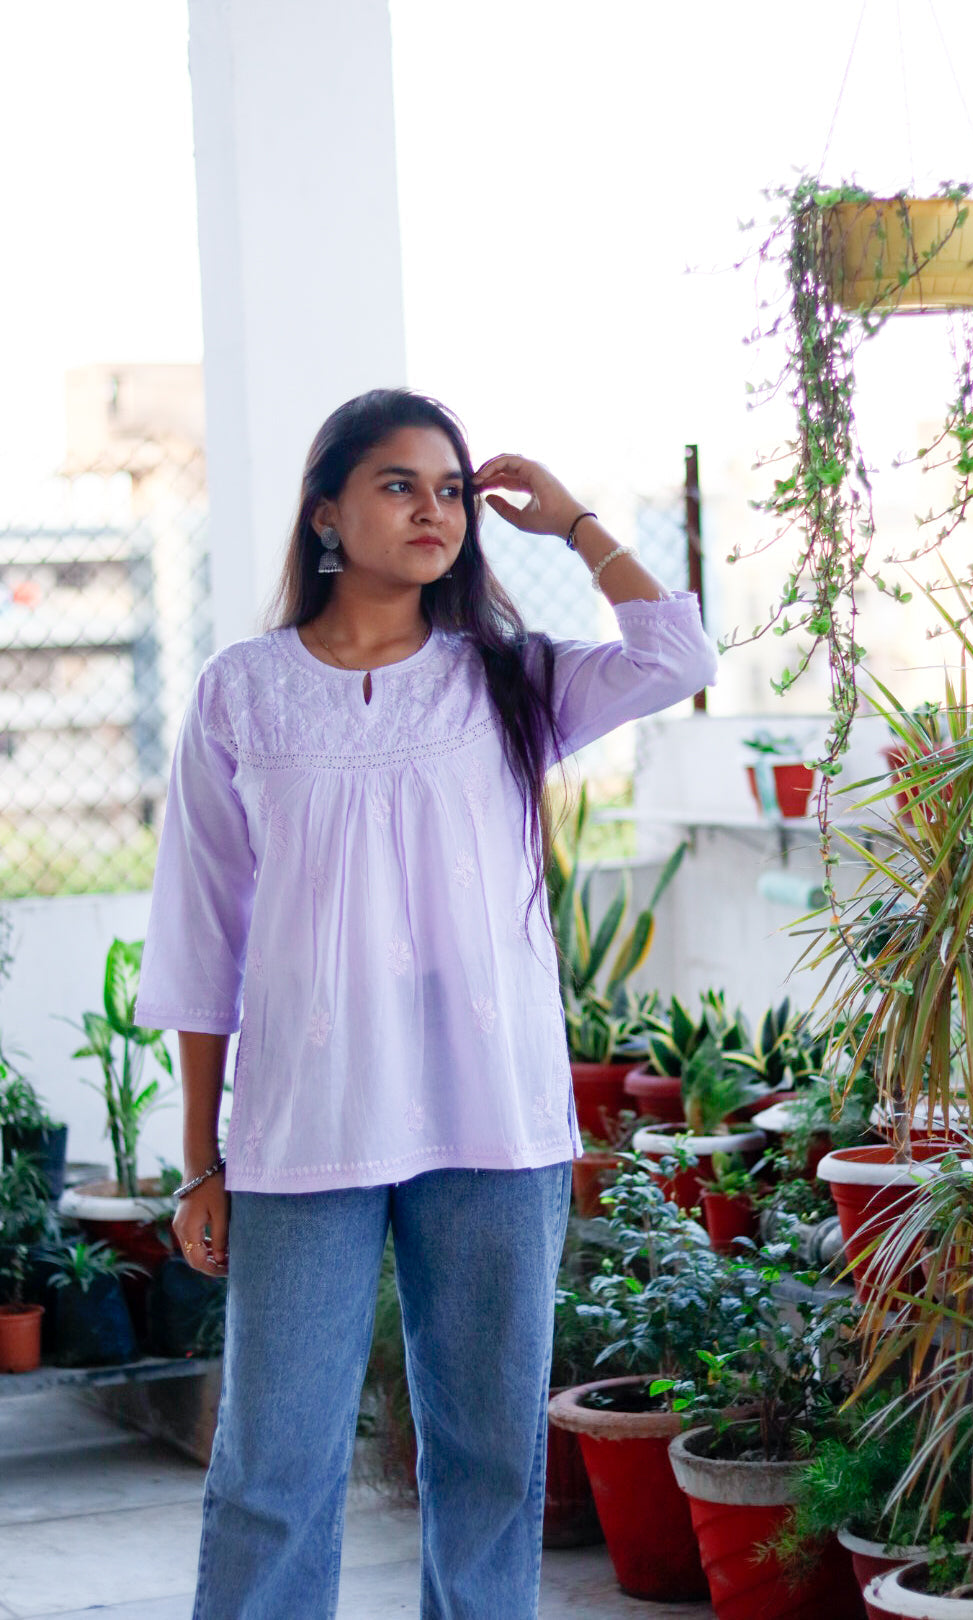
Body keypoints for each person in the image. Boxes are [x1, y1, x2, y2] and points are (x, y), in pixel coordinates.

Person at [134, 387, 717, 1619]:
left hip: (493, 1126)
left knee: (490, 1462)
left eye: (451, 490)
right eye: (399, 484)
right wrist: (199, 1162)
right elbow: (200, 935)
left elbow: (678, 656)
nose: (433, 510)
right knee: (273, 1469)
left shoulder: (507, 679)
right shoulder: (243, 693)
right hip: (305, 1131)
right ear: (326, 512)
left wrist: (574, 523)